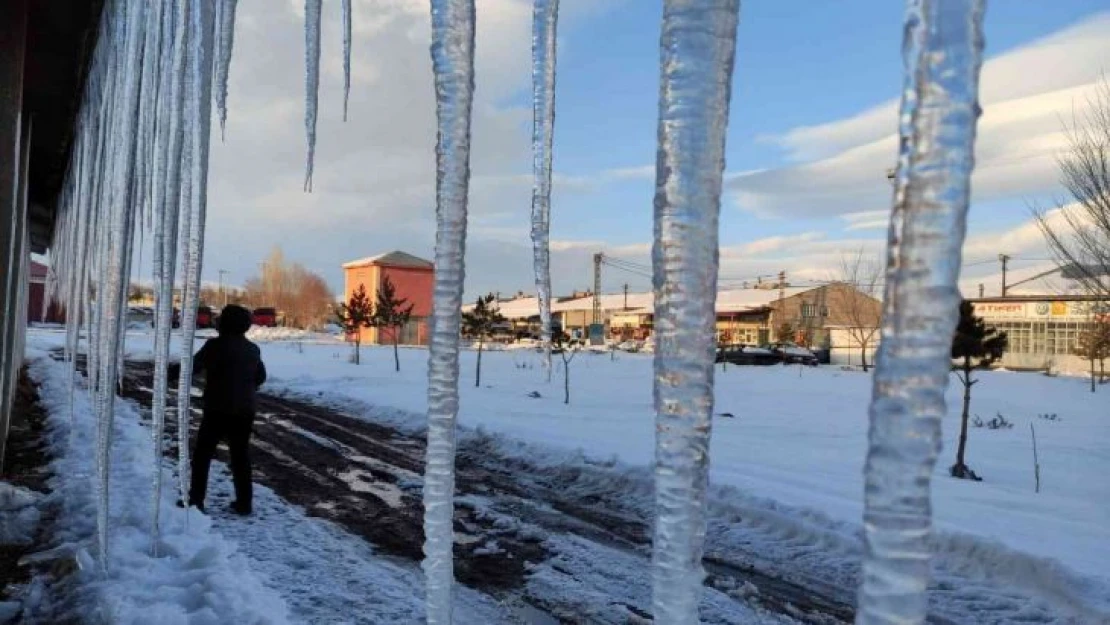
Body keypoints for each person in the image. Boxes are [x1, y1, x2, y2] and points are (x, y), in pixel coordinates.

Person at [179, 305, 266, 516]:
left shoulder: (214, 346)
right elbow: (260, 377)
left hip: (217, 408)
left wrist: (166, 374)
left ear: (223, 324)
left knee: (203, 455)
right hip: (245, 410)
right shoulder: (253, 349)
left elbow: (191, 368)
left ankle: (196, 500)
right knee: (240, 456)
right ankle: (244, 503)